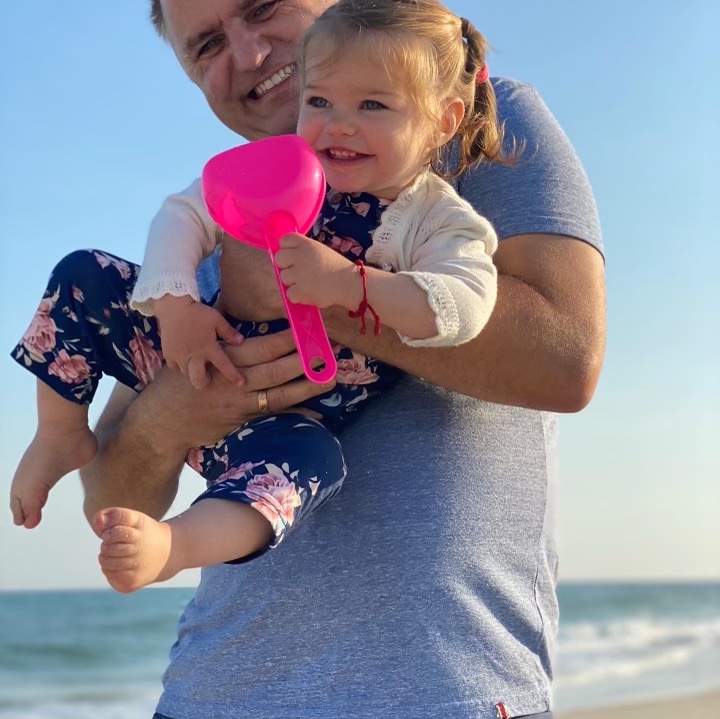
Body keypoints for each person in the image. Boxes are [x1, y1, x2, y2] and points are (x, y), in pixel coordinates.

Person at [80, 0, 606, 717]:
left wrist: (320, 293)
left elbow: (567, 359)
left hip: (443, 692)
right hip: (209, 693)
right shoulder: (211, 208)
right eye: (206, 45)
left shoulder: (475, 118)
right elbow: (113, 501)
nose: (248, 53)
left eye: (262, 7)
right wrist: (172, 412)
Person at [9, 0, 502, 593]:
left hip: (297, 412)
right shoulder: (277, 163)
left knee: (311, 461)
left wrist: (351, 286)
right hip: (203, 350)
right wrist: (176, 306)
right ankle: (59, 428)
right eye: (319, 102)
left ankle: (177, 544)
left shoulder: (437, 216)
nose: (339, 126)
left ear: (443, 122)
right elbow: (183, 214)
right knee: (82, 272)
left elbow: (465, 305)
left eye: (373, 105)